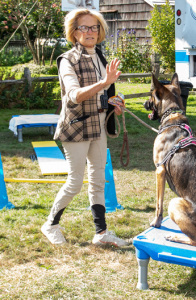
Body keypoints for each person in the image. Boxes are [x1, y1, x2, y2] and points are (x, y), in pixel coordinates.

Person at [41, 8, 128, 246]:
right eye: (83, 27)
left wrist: (114, 102)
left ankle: (101, 233)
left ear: (99, 31)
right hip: (76, 127)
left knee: (98, 180)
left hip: (99, 125)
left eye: (94, 27)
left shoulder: (100, 56)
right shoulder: (67, 60)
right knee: (75, 182)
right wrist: (104, 82)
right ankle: (50, 224)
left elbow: (104, 92)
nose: (89, 32)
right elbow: (73, 96)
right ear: (73, 32)